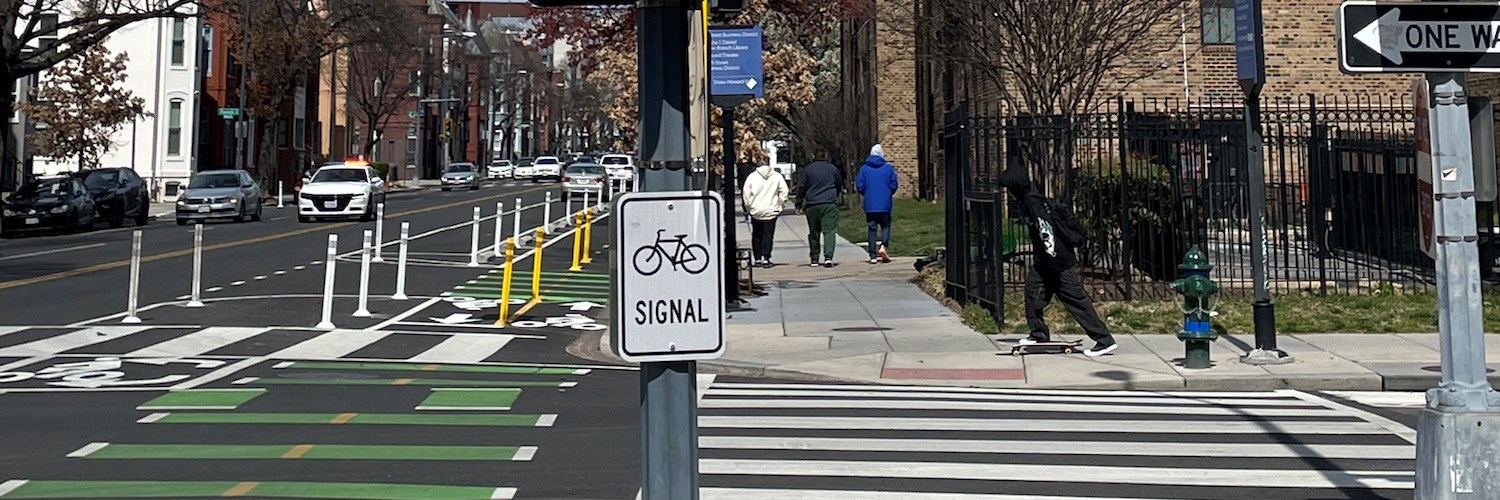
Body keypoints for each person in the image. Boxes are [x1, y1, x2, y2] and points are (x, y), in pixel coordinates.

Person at [999, 167, 1118, 357]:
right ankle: (1038, 333)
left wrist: (1053, 261)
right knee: (1032, 292)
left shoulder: (1032, 203)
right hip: (1045, 262)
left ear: (1015, 187)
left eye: (1008, 188)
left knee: (1075, 300)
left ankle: (1104, 340)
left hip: (1057, 263)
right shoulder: (1029, 201)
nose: (1007, 193)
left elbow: (1046, 230)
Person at [797, 152, 843, 268]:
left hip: (812, 203)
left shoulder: (808, 170)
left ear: (814, 157)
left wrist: (799, 203)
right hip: (829, 203)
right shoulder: (832, 169)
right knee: (829, 231)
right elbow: (839, 183)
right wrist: (835, 194)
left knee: (814, 232)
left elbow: (801, 186)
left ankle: (814, 258)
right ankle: (828, 257)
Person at [855, 144, 899, 264]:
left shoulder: (864, 169)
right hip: (885, 203)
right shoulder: (888, 168)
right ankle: (883, 246)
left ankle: (872, 255)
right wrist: (888, 193)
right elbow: (894, 184)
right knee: (885, 226)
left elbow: (860, 185)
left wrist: (867, 193)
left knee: (872, 228)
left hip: (870, 204)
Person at [742, 161, 789, 267]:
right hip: (771, 210)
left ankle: (757, 258)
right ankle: (766, 258)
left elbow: (746, 193)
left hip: (756, 210)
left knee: (756, 235)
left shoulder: (752, 176)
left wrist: (749, 207)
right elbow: (784, 191)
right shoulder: (777, 176)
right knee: (768, 235)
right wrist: (781, 205)